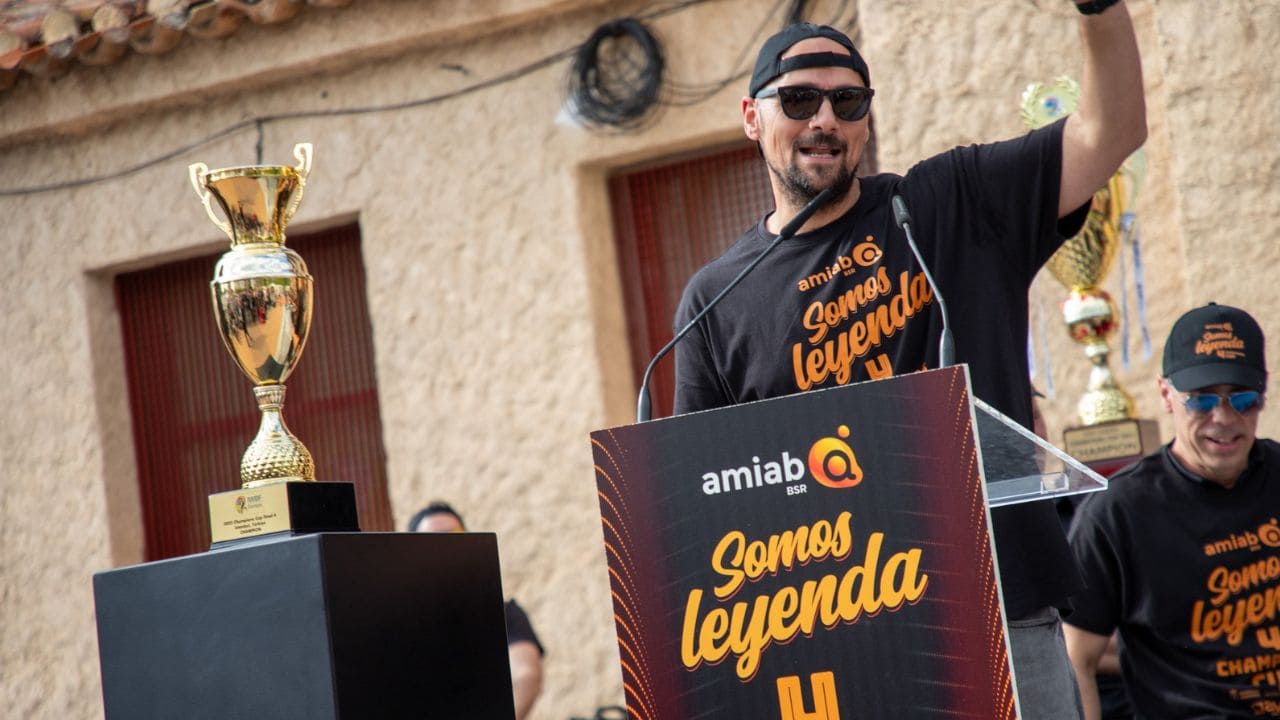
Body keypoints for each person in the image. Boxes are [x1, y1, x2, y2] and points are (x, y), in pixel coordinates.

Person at [670, 3, 1146, 717]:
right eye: (799, 99)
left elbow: (1112, 132)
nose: (824, 119)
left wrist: (1098, 11)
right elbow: (699, 504)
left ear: (866, 118)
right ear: (751, 117)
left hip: (1001, 613)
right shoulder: (716, 299)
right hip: (837, 638)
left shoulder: (948, 202)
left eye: (847, 100)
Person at [1064, 303, 1280, 719]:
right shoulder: (1118, 513)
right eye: (1201, 401)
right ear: (1166, 395)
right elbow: (1076, 658)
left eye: (1244, 399)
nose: (1223, 418)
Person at [408, 501, 545, 720]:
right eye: (432, 541)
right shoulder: (402, 621)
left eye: (455, 536)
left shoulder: (502, 613)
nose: (446, 549)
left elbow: (526, 675)